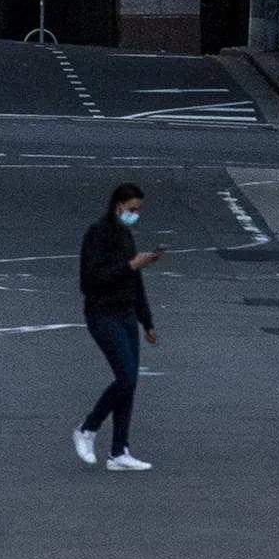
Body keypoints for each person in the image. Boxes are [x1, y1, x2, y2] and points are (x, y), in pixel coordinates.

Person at [73, 182, 160, 473]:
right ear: (118, 205)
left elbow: (135, 282)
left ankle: (119, 450)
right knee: (125, 377)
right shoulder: (97, 234)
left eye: (139, 210)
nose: (136, 215)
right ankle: (88, 427)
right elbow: (90, 280)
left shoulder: (125, 235)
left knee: (130, 381)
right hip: (102, 314)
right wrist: (131, 266)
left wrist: (146, 320)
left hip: (125, 314)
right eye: (132, 209)